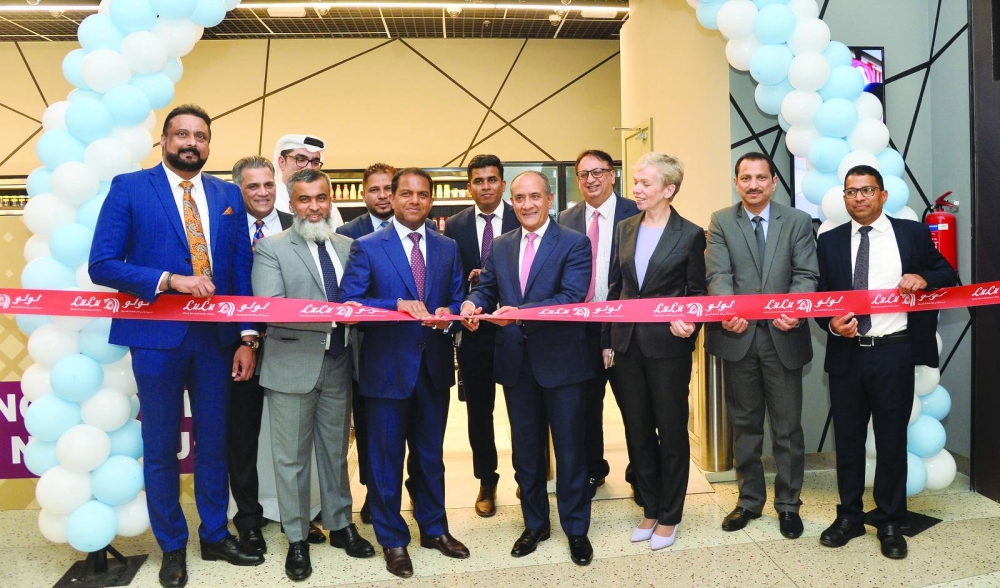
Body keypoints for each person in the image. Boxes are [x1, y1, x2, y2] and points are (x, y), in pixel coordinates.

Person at [89, 104, 264, 588]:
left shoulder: (227, 195)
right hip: (155, 339)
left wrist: (247, 335)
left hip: (217, 341)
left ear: (209, 144)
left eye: (200, 136)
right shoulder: (130, 188)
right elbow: (102, 264)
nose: (191, 142)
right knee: (162, 446)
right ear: (164, 141)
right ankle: (172, 546)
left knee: (214, 443)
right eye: (182, 134)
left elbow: (240, 271)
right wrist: (169, 280)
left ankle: (214, 535)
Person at [815, 165, 957, 559]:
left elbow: (948, 273)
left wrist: (923, 279)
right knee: (848, 441)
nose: (858, 197)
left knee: (892, 440)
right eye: (851, 191)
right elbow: (820, 296)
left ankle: (891, 521)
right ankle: (849, 517)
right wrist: (830, 323)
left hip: (894, 352)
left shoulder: (911, 233)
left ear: (882, 195)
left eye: (866, 190)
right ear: (844, 198)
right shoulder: (829, 240)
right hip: (847, 353)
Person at [339, 168, 469, 578]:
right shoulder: (366, 246)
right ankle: (392, 538)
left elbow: (457, 300)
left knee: (430, 457)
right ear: (392, 198)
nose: (415, 200)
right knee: (385, 459)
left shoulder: (447, 247)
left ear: (431, 200)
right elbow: (349, 304)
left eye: (423, 194)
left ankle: (434, 528)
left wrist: (449, 314)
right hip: (386, 371)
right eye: (407, 193)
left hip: (433, 369)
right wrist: (393, 305)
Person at [461, 171, 596, 566]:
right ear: (512, 201)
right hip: (516, 364)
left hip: (562, 363)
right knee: (526, 453)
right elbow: (487, 287)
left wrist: (518, 314)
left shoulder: (574, 243)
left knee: (570, 452)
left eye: (535, 196)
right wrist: (472, 303)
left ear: (549, 199)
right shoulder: (501, 245)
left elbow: (571, 297)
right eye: (519, 198)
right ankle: (535, 524)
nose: (527, 204)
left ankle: (576, 529)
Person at [252, 169, 376, 581]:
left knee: (335, 453)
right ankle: (297, 537)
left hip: (340, 363)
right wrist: (336, 316)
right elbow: (272, 306)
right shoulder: (271, 248)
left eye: (321, 198)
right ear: (291, 204)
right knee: (291, 459)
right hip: (292, 366)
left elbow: (362, 299)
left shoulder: (348, 246)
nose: (314, 207)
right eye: (304, 199)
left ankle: (340, 525)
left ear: (330, 200)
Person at [705, 152, 819, 539]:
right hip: (737, 337)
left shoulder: (797, 221)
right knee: (745, 427)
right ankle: (749, 501)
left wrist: (795, 310)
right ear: (736, 182)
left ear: (773, 182)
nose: (753, 184)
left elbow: (806, 274)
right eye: (745, 178)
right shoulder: (721, 221)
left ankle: (788, 505)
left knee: (787, 429)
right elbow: (718, 274)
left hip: (783, 337)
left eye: (760, 177)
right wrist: (727, 310)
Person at [602, 153, 706, 550]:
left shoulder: (690, 234)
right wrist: (607, 340)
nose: (637, 189)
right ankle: (649, 505)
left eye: (646, 183)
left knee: (671, 429)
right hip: (627, 344)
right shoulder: (625, 228)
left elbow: (697, 293)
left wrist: (690, 322)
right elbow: (616, 289)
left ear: (669, 189)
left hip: (668, 348)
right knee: (637, 429)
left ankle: (671, 514)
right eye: (636, 182)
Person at [559, 149, 639, 498]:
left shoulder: (635, 213)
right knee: (586, 406)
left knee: (634, 405)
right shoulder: (566, 218)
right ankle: (594, 471)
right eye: (583, 174)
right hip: (582, 329)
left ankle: (641, 474)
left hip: (624, 326)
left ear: (612, 175)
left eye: (598, 172)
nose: (590, 180)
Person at [443, 154, 519, 517]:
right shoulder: (454, 225)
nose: (485, 186)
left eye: (492, 180)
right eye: (478, 181)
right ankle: (487, 480)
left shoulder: (522, 215)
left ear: (502, 183)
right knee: (479, 411)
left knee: (524, 408)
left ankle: (527, 475)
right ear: (469, 186)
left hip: (517, 329)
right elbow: (448, 276)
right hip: (474, 331)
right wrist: (469, 287)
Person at [227, 155, 292, 556]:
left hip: (293, 345)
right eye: (253, 186)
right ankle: (248, 520)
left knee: (294, 438)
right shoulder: (224, 228)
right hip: (239, 347)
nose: (263, 192)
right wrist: (247, 339)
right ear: (239, 190)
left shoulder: (296, 223)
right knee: (242, 436)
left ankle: (298, 513)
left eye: (268, 184)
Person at [272, 133, 344, 228]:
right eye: (301, 160)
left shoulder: (330, 210)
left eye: (315, 162)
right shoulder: (271, 203)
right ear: (282, 162)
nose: (309, 168)